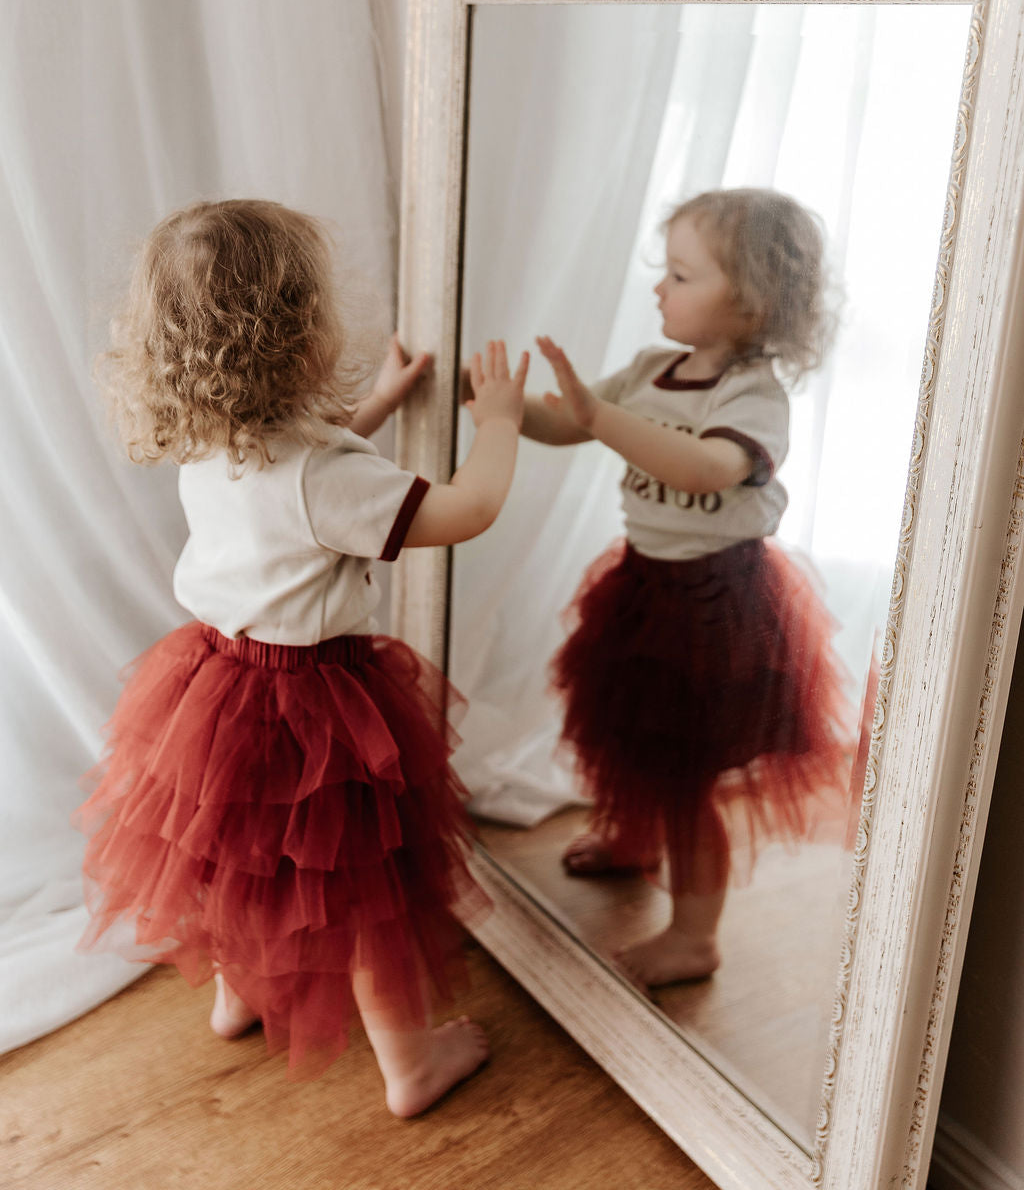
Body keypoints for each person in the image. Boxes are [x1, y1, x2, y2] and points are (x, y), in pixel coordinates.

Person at [76, 198, 528, 1116]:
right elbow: (466, 510)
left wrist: (381, 405)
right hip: (316, 708)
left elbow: (301, 468)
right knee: (364, 900)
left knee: (243, 869)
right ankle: (412, 1063)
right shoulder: (328, 479)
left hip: (212, 690)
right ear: (302, 330)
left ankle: (238, 997)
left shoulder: (210, 435)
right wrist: (502, 425)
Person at [526, 187, 853, 989]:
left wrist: (599, 418)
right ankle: (633, 838)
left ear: (751, 302)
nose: (658, 288)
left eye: (679, 275)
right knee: (628, 739)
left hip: (716, 609)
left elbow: (706, 467)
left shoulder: (751, 396)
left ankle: (694, 936)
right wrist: (502, 403)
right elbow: (568, 420)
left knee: (685, 780)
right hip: (643, 589)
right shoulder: (651, 369)